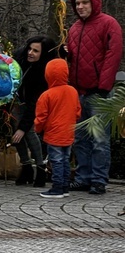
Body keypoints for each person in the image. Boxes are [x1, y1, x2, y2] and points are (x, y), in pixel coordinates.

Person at [66, 0, 123, 195]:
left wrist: (103, 86)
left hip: (100, 94)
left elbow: (113, 55)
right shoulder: (74, 28)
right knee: (80, 138)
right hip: (78, 92)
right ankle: (83, 177)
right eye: (77, 3)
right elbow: (73, 59)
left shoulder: (109, 24)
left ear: (94, 2)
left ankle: (99, 180)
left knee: (99, 139)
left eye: (84, 2)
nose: (80, 6)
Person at [11, 36, 57, 186]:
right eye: (30, 49)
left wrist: (23, 128)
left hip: (35, 104)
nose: (30, 53)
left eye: (35, 51)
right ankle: (26, 166)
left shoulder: (44, 72)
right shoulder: (20, 59)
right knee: (15, 134)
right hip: (17, 102)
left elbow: (34, 104)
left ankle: (40, 168)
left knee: (27, 132)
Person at [34, 59, 82, 198]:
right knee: (65, 160)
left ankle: (57, 188)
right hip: (69, 132)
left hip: (54, 133)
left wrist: (38, 129)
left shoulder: (47, 95)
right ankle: (65, 187)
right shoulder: (72, 91)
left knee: (56, 161)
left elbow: (41, 117)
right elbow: (77, 111)